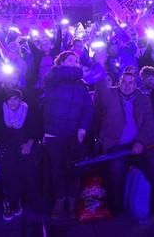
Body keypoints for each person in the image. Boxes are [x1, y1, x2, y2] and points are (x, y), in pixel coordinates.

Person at [94, 72, 154, 213]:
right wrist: (99, 67)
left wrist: (141, 142)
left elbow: (149, 125)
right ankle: (116, 207)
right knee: (116, 169)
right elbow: (100, 94)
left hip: (137, 143)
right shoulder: (110, 96)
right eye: (124, 82)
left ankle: (152, 204)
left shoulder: (143, 99)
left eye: (131, 82)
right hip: (116, 144)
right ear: (119, 82)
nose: (127, 86)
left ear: (136, 84)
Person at [41, 51, 92, 220]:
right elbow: (57, 74)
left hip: (73, 133)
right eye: (70, 60)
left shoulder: (81, 85)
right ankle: (59, 200)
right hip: (53, 131)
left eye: (76, 60)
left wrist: (83, 128)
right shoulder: (53, 77)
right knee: (56, 169)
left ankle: (71, 201)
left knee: (73, 168)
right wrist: (79, 70)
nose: (74, 62)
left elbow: (87, 108)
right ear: (61, 62)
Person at [0, 89, 41, 221]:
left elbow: (35, 132)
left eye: (15, 99)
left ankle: (19, 200)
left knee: (24, 173)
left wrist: (28, 145)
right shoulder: (0, 111)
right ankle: (8, 203)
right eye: (10, 99)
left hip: (23, 147)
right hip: (6, 149)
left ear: (20, 100)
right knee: (7, 174)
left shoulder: (27, 110)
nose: (12, 102)